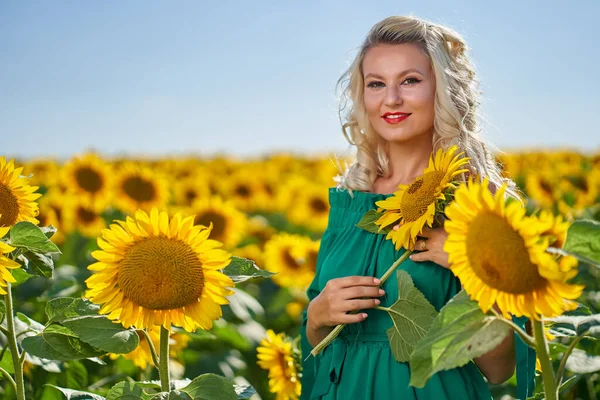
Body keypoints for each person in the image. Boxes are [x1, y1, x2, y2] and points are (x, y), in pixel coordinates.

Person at [300, 15, 535, 400]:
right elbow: (313, 348)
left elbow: (499, 369)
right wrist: (317, 317)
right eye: (376, 84)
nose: (391, 99)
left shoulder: (480, 203)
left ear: (443, 89)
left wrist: (470, 263)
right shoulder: (349, 200)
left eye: (410, 80)